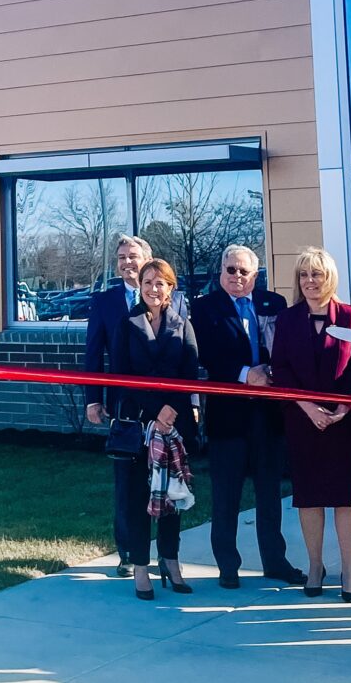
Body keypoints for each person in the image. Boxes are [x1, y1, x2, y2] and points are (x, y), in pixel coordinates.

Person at [192, 245, 305, 589]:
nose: (237, 277)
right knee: (226, 495)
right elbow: (207, 355)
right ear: (221, 271)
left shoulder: (274, 304)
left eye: (244, 271)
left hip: (268, 415)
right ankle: (228, 566)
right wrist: (245, 374)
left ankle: (275, 561)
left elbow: (287, 348)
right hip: (228, 416)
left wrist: (269, 371)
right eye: (231, 270)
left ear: (256, 276)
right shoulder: (205, 308)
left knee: (269, 493)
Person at [84, 235, 190, 578]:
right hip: (129, 411)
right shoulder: (105, 302)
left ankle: (168, 558)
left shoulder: (179, 305)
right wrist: (92, 398)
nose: (127, 262)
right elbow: (94, 354)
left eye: (133, 256)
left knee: (170, 484)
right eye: (121, 257)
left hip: (171, 415)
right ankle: (129, 553)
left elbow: (188, 361)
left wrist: (180, 406)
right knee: (128, 489)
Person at [272, 247, 351, 602]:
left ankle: (349, 571)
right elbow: (280, 368)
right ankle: (315, 566)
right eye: (304, 274)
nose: (310, 281)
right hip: (302, 420)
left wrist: (344, 408)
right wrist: (308, 407)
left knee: (345, 496)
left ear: (330, 277)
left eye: (317, 273)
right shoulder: (287, 319)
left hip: (345, 421)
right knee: (309, 496)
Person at [111, 259, 200, 600]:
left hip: (174, 424)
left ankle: (171, 561)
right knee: (138, 497)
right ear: (140, 286)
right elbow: (121, 375)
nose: (153, 288)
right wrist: (155, 410)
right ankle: (140, 567)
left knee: (171, 496)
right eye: (147, 282)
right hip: (139, 424)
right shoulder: (126, 324)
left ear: (170, 288)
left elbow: (189, 373)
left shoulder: (182, 324)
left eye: (160, 283)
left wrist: (171, 409)